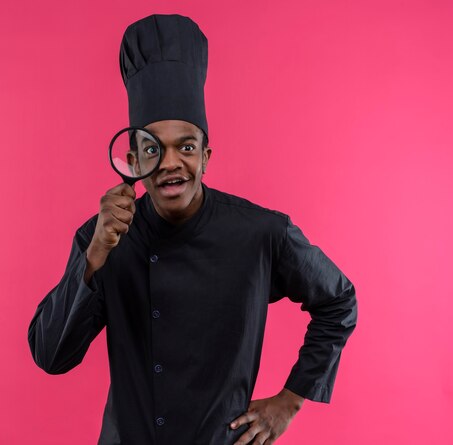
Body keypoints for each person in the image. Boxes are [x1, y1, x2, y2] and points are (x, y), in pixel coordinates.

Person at [28, 13, 357, 445]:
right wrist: (93, 259)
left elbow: (338, 300)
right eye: (151, 148)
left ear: (205, 156)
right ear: (132, 158)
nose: (169, 163)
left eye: (185, 146)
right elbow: (51, 357)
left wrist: (290, 400)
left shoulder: (261, 232)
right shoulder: (105, 236)